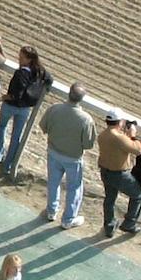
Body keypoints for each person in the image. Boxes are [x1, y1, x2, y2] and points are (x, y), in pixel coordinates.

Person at [38, 84, 95, 229]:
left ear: (69, 93)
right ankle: (68, 219)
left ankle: (51, 211)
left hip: (53, 153)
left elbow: (43, 126)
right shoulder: (86, 119)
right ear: (82, 99)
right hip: (73, 159)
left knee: (53, 182)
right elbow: (88, 144)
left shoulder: (54, 109)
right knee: (74, 188)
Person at [0, 47, 52, 180]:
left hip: (10, 106)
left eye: (21, 57)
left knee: (2, 127)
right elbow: (50, 80)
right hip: (25, 109)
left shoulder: (20, 74)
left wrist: (2, 97)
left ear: (29, 59)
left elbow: (15, 95)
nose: (19, 59)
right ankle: (8, 165)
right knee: (16, 137)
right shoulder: (40, 72)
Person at [96, 113, 141, 237]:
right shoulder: (119, 138)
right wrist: (132, 135)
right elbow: (138, 150)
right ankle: (129, 223)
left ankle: (109, 226)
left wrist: (126, 135)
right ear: (119, 122)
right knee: (137, 195)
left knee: (110, 198)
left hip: (105, 171)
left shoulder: (103, 135)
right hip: (119, 174)